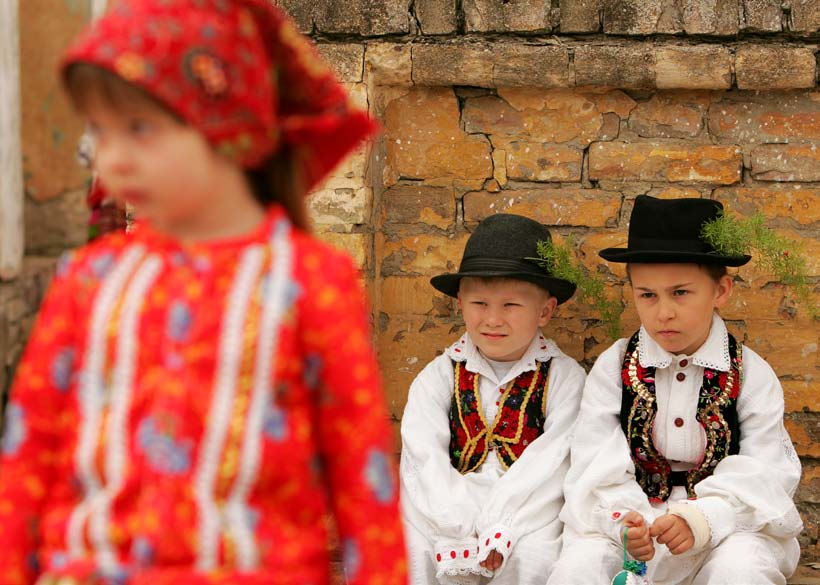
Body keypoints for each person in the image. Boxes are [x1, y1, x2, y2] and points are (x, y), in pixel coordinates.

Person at [0, 1, 406, 583]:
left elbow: (362, 482)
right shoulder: (88, 280)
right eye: (99, 130)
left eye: (138, 127)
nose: (110, 157)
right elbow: (26, 457)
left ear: (229, 123)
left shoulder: (310, 284)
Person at [548, 195, 803, 585]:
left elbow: (766, 470)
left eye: (680, 293)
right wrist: (626, 523)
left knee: (742, 570)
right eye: (647, 295)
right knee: (578, 569)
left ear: (720, 291)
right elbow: (594, 458)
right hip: (634, 524)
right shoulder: (615, 367)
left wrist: (703, 518)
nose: (662, 312)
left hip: (725, 527)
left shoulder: (750, 373)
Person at [400, 213, 587, 585]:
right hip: (443, 509)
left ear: (545, 311)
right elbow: (423, 460)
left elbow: (552, 465)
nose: (492, 320)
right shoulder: (437, 377)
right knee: (412, 554)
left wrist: (503, 527)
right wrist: (456, 526)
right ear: (459, 303)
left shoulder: (565, 379)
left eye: (511, 306)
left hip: (529, 513)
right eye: (479, 304)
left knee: (533, 558)